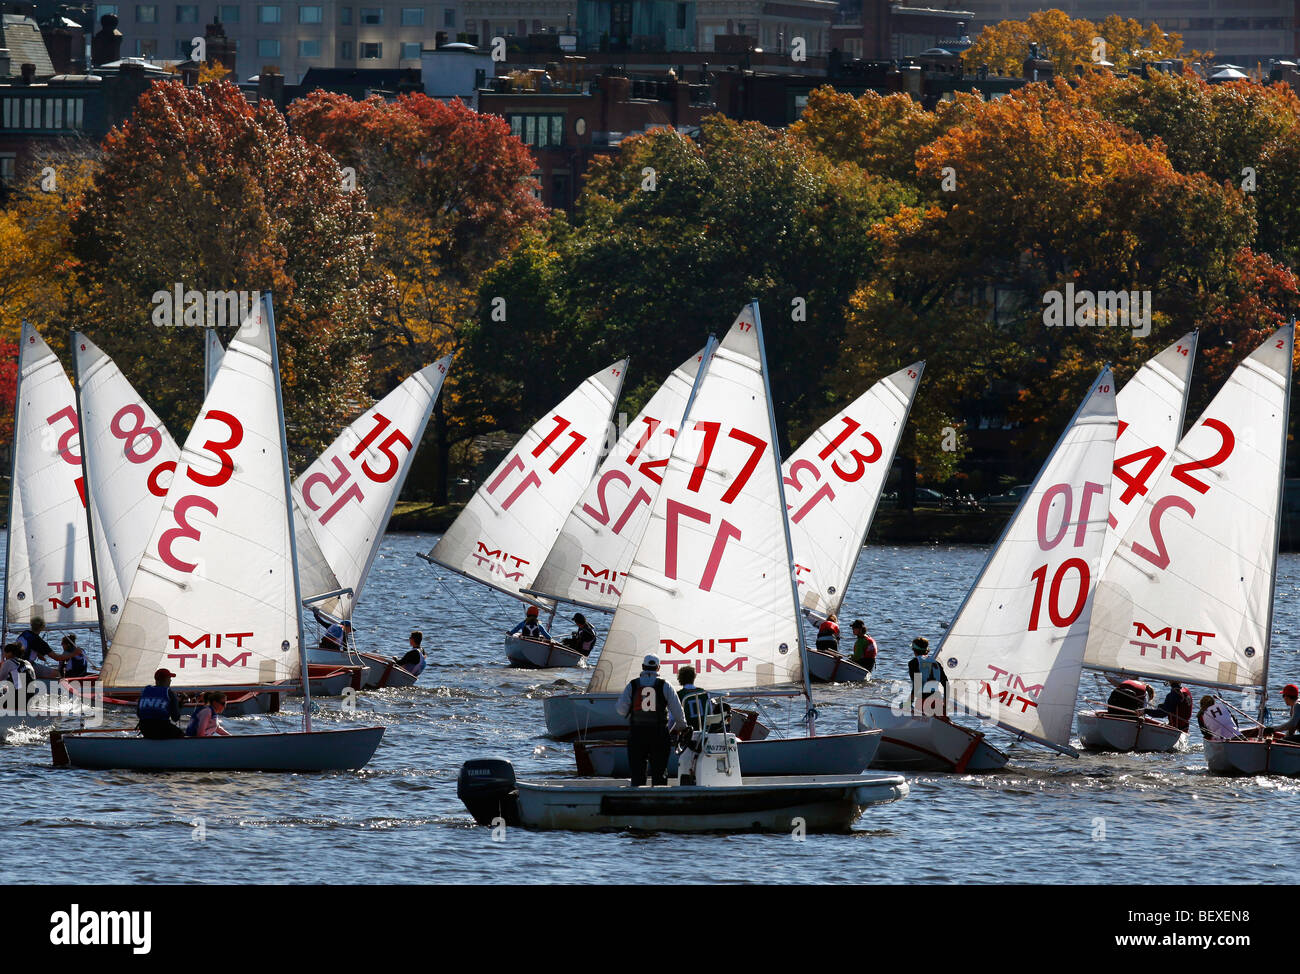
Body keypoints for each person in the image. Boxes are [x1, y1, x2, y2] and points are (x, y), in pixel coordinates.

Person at [615, 654, 684, 786]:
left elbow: (621, 710)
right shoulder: (665, 685)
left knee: (637, 773)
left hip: (637, 734)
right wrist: (682, 727)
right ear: (658, 668)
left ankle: (637, 800)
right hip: (659, 734)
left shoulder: (632, 685)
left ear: (643, 667)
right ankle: (659, 799)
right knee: (660, 772)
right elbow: (677, 711)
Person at [674, 666, 710, 785]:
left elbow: (673, 719)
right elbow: (710, 713)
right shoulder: (704, 693)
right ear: (694, 678)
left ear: (680, 679)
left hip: (688, 736)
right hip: (704, 733)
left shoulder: (678, 695)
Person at [137, 668, 184, 739]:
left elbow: (138, 713)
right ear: (165, 680)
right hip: (162, 728)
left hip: (144, 728)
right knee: (181, 734)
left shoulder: (145, 690)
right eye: (169, 678)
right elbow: (175, 718)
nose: (170, 680)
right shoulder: (169, 693)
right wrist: (178, 706)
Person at [908, 637, 946, 716]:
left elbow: (917, 685)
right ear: (927, 650)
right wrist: (944, 705)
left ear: (914, 650)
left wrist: (909, 702)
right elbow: (946, 685)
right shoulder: (936, 663)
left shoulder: (913, 662)